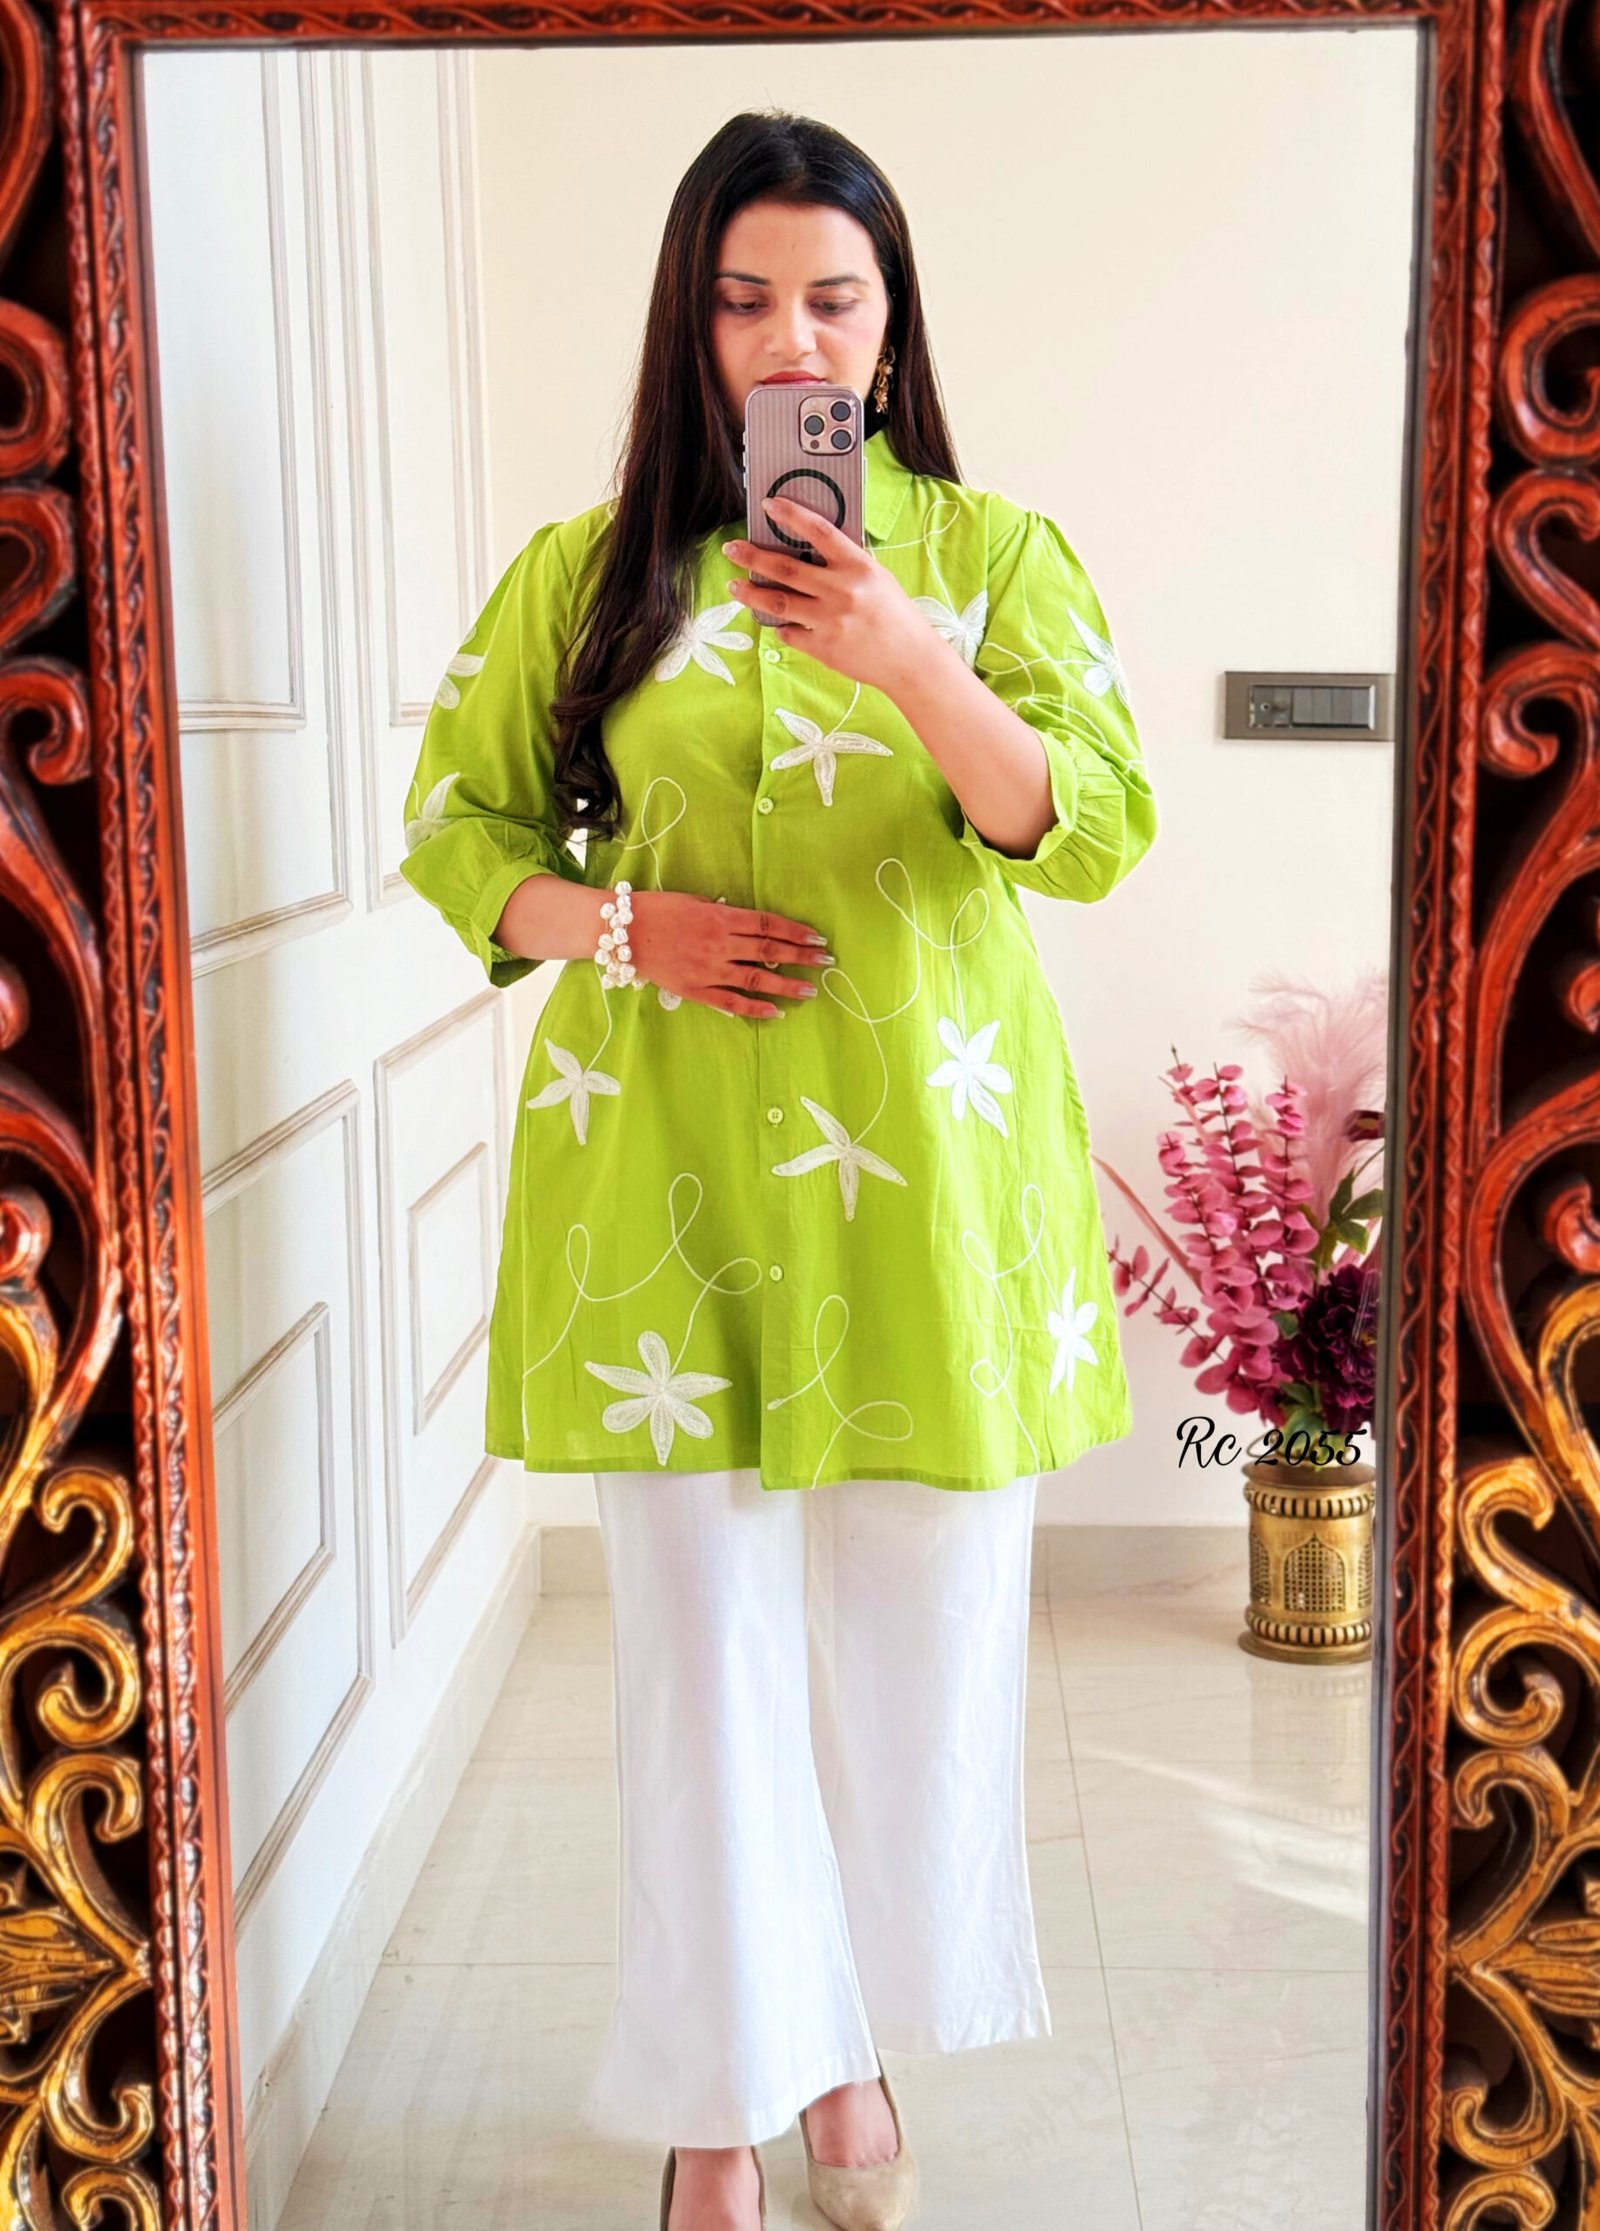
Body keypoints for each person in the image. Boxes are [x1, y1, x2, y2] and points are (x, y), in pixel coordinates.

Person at [400, 107, 1158, 2231]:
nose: (789, 337)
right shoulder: (587, 572)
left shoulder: (996, 554)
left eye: (831, 297)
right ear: (691, 322)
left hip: (927, 1164)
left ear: (892, 325)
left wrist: (906, 654)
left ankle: (838, 2052)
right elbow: (459, 829)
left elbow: (1090, 829)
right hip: (658, 1159)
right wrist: (620, 925)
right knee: (698, 1663)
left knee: (918, 1649)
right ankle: (719, 2105)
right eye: (743, 300)